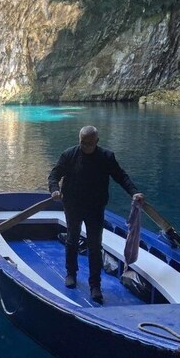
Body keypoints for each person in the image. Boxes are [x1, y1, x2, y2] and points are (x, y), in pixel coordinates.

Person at [48, 126, 144, 304]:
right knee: (72, 239)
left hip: (95, 207)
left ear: (96, 142)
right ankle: (71, 273)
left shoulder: (106, 157)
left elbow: (121, 176)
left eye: (89, 144)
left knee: (94, 245)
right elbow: (54, 175)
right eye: (82, 143)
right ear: (79, 140)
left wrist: (134, 192)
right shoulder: (69, 155)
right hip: (73, 205)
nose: (85, 146)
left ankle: (95, 285)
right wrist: (54, 189)